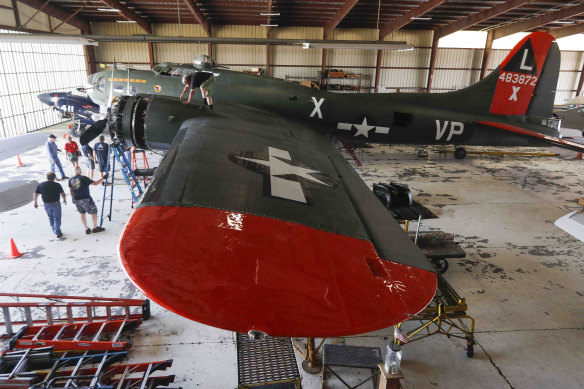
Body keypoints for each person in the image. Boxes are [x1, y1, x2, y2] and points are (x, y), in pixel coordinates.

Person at [69, 166, 107, 234]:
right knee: (94, 212)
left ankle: (87, 229)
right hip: (85, 199)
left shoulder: (70, 179)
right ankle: (95, 228)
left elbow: (71, 190)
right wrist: (103, 178)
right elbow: (95, 183)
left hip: (76, 200)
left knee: (82, 213)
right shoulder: (83, 178)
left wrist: (73, 198)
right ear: (80, 171)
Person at [34, 172, 67, 238]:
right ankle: (57, 232)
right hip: (56, 204)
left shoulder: (41, 185)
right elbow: (63, 193)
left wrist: (35, 203)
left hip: (46, 204)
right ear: (54, 178)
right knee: (57, 218)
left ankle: (54, 229)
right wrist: (64, 199)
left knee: (50, 217)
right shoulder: (57, 185)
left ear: (47, 178)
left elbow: (36, 195)